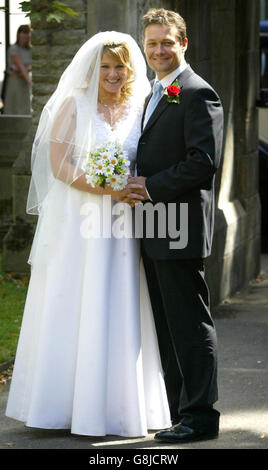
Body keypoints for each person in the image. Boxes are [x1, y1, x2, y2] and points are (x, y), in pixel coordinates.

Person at [5, 31, 171, 437]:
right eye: (106, 67)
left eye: (120, 67)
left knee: (120, 301)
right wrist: (104, 187)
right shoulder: (73, 105)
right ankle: (61, 406)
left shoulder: (140, 107)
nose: (113, 74)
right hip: (79, 223)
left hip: (122, 224)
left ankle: (117, 407)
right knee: (74, 299)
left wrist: (131, 187)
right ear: (92, 69)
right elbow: (59, 164)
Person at [127, 8, 224, 443]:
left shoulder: (197, 92)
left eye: (167, 42)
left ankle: (201, 417)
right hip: (152, 226)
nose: (159, 50)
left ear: (183, 43)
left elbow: (203, 162)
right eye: (152, 43)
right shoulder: (153, 91)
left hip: (179, 226)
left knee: (189, 323)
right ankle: (178, 410)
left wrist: (149, 187)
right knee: (167, 325)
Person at [3, 24, 32, 115]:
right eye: (23, 33)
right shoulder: (14, 48)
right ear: (18, 34)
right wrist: (30, 81)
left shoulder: (30, 50)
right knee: (13, 108)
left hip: (24, 83)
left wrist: (26, 70)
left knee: (24, 108)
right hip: (14, 82)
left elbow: (32, 65)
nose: (25, 36)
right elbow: (20, 66)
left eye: (27, 33)